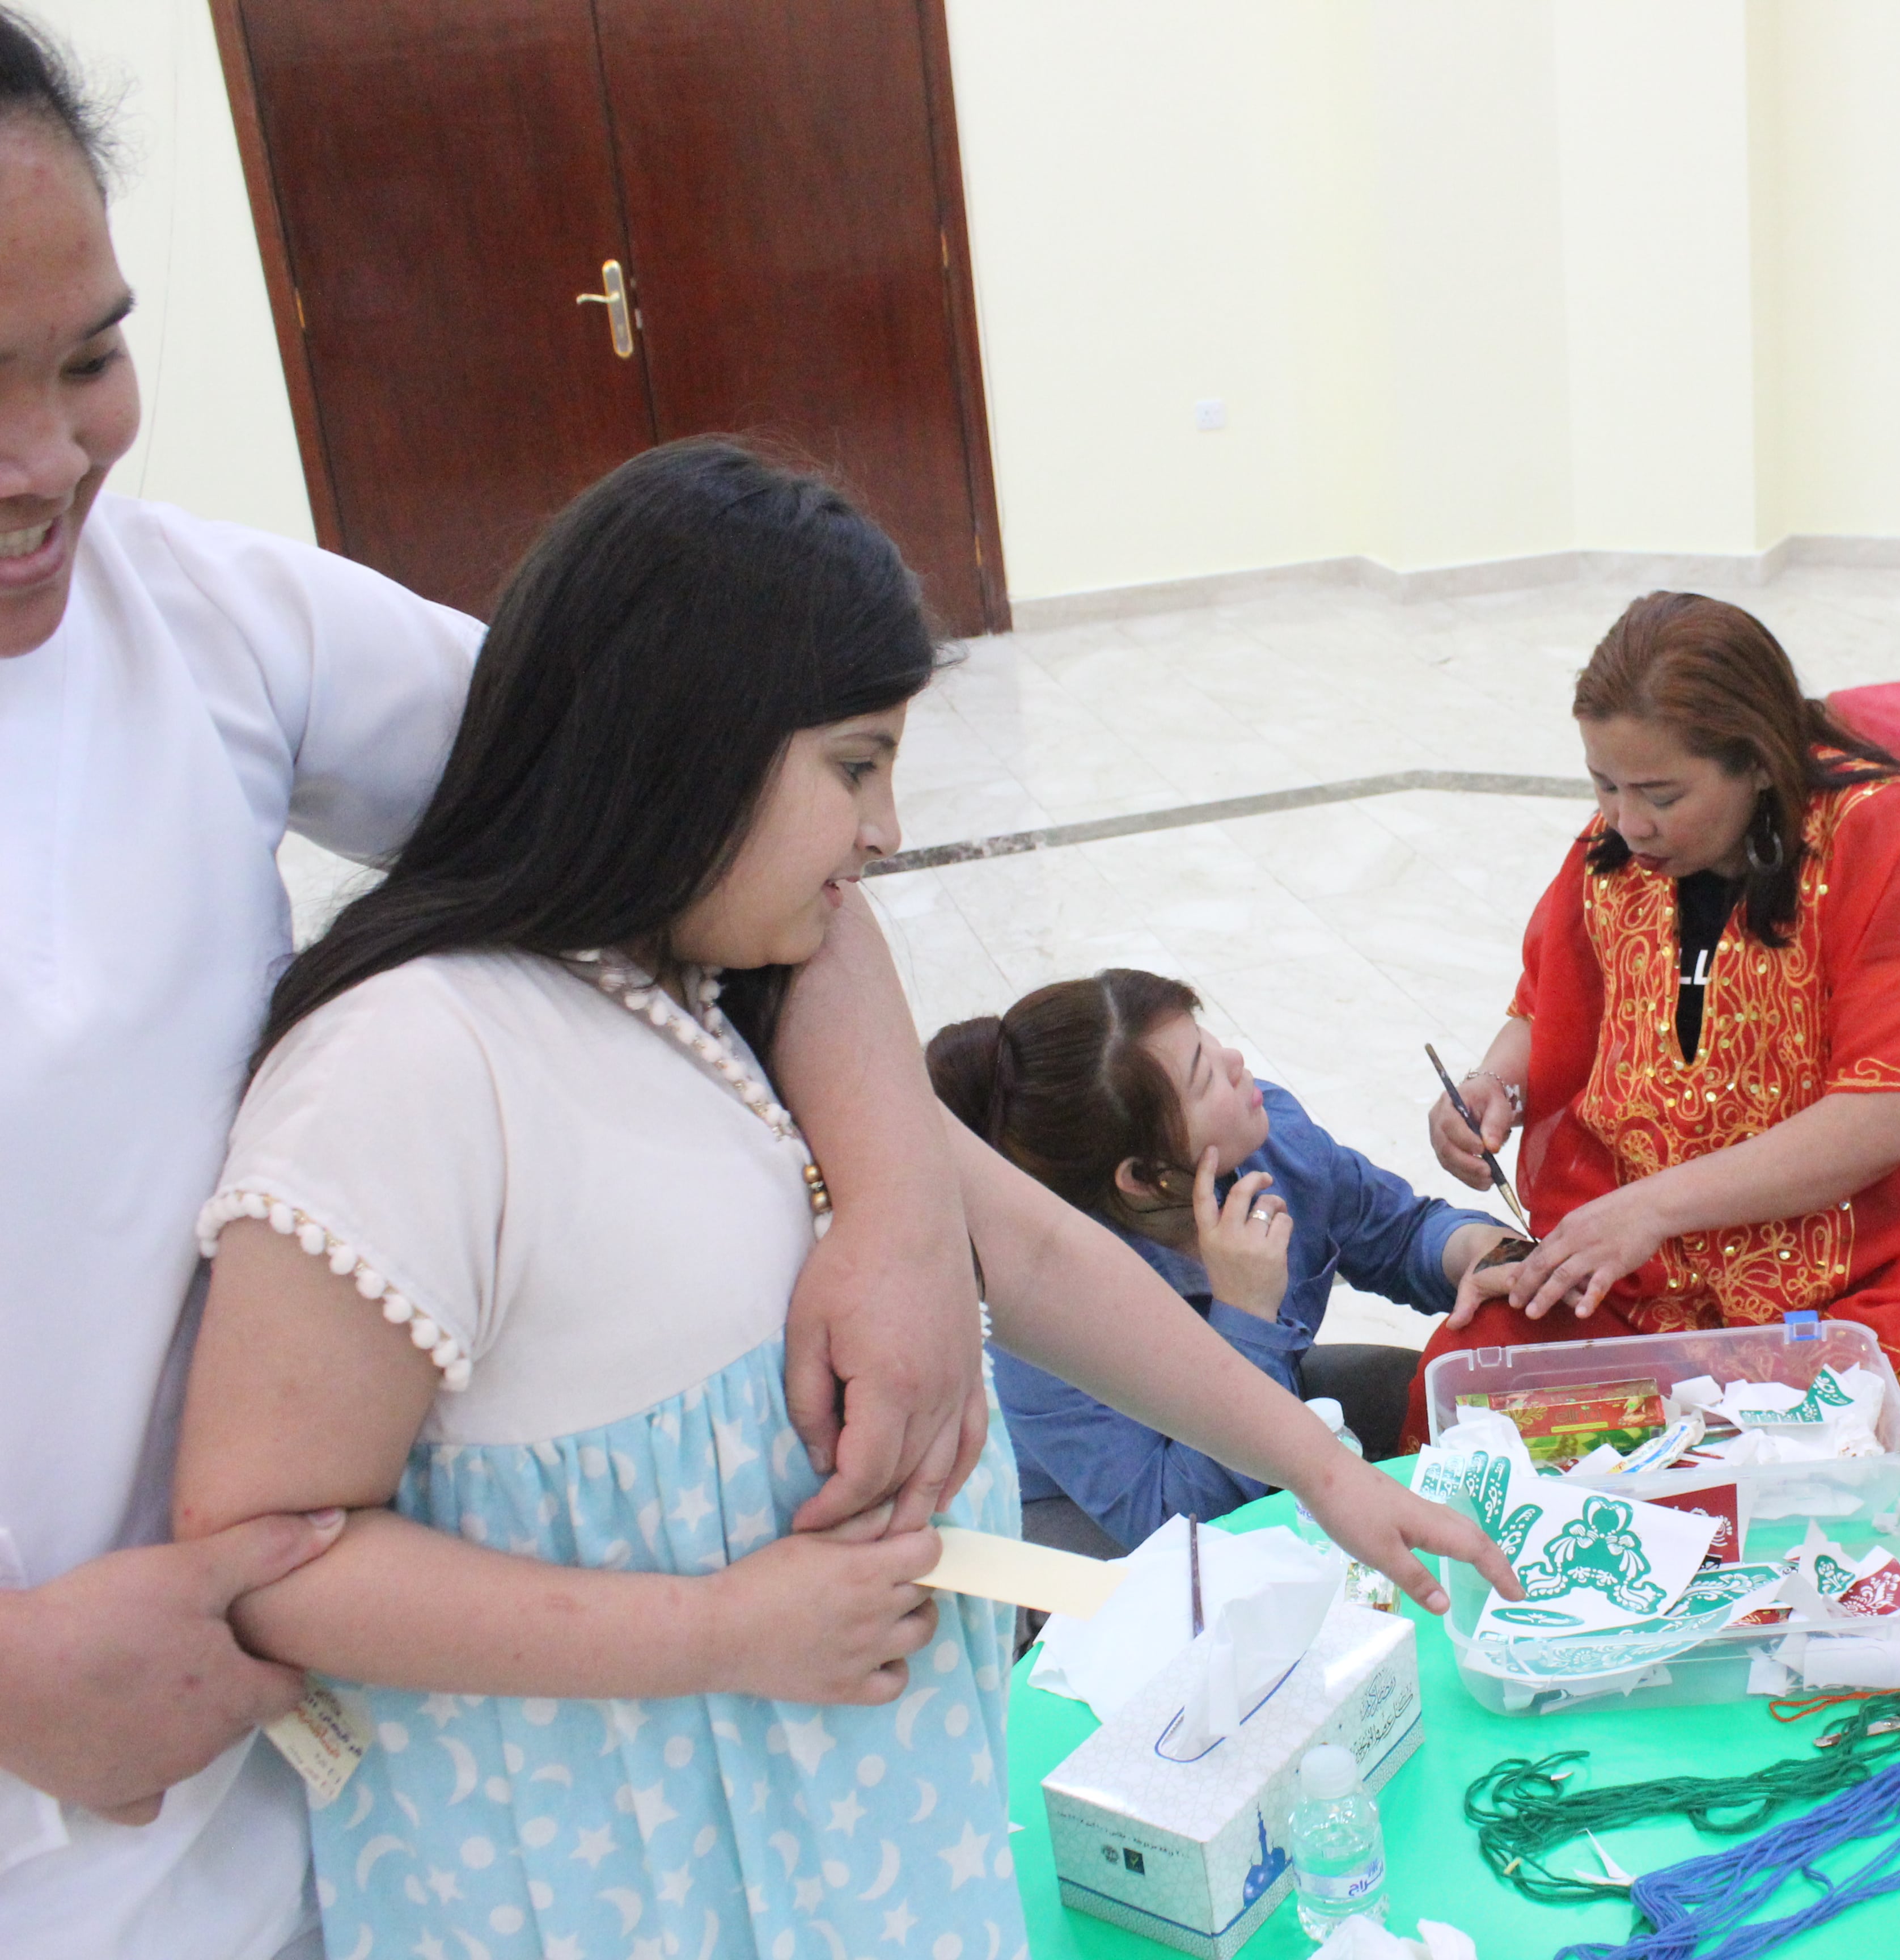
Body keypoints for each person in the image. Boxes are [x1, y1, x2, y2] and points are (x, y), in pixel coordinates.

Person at [166, 441, 1517, 1960]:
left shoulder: (734, 996)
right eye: (855, 767)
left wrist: (1321, 1471)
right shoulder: (414, 1068)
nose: (886, 829)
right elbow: (268, 1554)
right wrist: (713, 1632)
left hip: (850, 1857)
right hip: (614, 1886)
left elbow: (1024, 1249)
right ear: (687, 741)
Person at [0, 24, 989, 1958]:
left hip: (305, 1773)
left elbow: (705, 804)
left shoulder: (203, 624)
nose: (43, 462)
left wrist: (895, 1210)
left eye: (88, 359)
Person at [1417, 591, 1900, 1447]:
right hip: (1657, 1279)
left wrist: (1650, 1209)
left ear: (1759, 762)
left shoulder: (1891, 836)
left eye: (1661, 793)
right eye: (1605, 785)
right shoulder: (1618, 851)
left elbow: (1890, 1116)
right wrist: (1494, 1084)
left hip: (1880, 1268)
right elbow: (1550, 1008)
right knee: (1476, 1385)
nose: (1628, 822)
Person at [929, 971, 1520, 1552]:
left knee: (1414, 1387)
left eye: (1206, 1039)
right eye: (1203, 1075)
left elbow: (1399, 1231)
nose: (1235, 1062)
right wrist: (1245, 1313)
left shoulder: (1267, 1136)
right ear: (1145, 1177)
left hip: (1263, 1400)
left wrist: (1480, 1251)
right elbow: (1177, 1524)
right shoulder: (1050, 1304)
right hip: (1096, 1520)